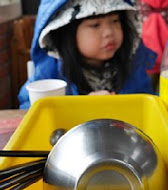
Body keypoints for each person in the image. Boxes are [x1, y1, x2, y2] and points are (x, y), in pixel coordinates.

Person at [18, 0, 157, 109]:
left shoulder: (131, 64)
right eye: (95, 25)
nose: (109, 32)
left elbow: (146, 102)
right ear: (67, 34)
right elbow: (27, 106)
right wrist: (80, 106)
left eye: (115, 21)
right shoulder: (50, 70)